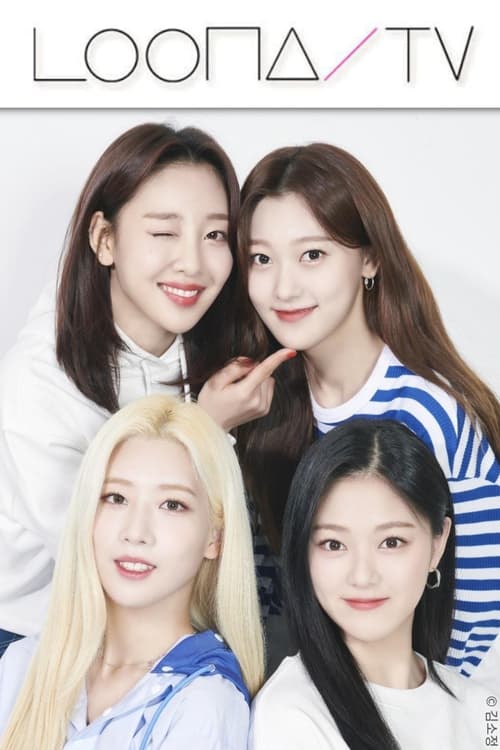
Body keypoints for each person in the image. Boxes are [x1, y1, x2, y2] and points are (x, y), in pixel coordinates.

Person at [0, 122, 292, 652]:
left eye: (215, 235)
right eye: (164, 233)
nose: (193, 263)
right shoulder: (39, 382)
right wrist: (207, 429)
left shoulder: (208, 342)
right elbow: (112, 560)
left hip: (151, 621)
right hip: (33, 634)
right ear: (104, 239)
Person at [235, 142, 500, 678]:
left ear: (370, 259)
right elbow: (258, 601)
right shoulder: (258, 402)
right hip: (292, 692)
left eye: (313, 255)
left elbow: (475, 629)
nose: (283, 286)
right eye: (262, 258)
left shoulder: (431, 414)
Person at [0, 394, 264, 749]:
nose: (136, 532)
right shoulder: (22, 664)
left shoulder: (205, 701)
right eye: (116, 498)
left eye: (172, 505)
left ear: (214, 537)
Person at [250, 419, 496, 750]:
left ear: (437, 545)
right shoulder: (291, 713)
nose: (362, 576)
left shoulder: (483, 708)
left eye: (391, 542)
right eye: (334, 544)